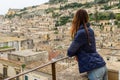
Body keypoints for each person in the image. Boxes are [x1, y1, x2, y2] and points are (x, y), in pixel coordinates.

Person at [67, 9, 108, 80]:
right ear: (87, 18)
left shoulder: (80, 33)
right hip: (102, 66)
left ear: (75, 19)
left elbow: (70, 52)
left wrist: (77, 53)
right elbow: (91, 49)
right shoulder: (90, 30)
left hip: (94, 70)